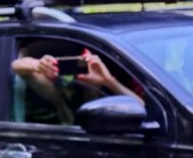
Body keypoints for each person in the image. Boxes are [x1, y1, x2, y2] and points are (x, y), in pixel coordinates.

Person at [11, 47, 144, 125]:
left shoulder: (107, 93)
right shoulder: (57, 90)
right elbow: (17, 65)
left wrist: (108, 80)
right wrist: (38, 65)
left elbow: (142, 108)